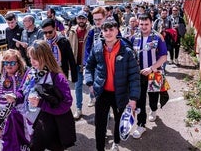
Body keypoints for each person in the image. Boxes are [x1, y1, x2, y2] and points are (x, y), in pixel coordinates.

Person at [85, 20, 141, 151]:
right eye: (105, 30)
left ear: (117, 31)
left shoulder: (127, 51)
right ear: (102, 32)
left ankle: (116, 143)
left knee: (118, 121)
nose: (108, 33)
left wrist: (133, 99)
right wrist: (90, 83)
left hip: (120, 93)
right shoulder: (97, 48)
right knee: (100, 124)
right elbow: (89, 66)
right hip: (102, 93)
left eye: (111, 29)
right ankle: (100, 148)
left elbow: (134, 76)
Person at [27, 40, 76, 150]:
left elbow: (66, 104)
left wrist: (41, 103)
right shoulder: (32, 72)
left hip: (54, 124)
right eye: (30, 58)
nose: (32, 62)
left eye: (35, 58)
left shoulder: (58, 77)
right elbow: (23, 90)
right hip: (35, 121)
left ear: (45, 57)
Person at [0, 49, 31, 150]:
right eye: (6, 62)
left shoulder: (25, 74)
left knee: (22, 141)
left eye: (12, 62)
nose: (8, 65)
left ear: (19, 63)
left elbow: (26, 93)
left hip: (21, 116)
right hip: (4, 116)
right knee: (7, 142)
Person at [131, 13, 167, 139]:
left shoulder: (158, 37)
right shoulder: (133, 37)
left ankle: (153, 110)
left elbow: (163, 56)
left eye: (146, 24)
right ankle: (141, 125)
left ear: (151, 23)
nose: (144, 26)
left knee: (153, 98)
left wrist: (152, 68)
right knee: (139, 100)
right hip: (139, 75)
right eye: (141, 24)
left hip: (155, 73)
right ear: (138, 23)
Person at [68, 11, 93, 120]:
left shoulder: (91, 30)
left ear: (86, 19)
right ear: (77, 19)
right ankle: (78, 109)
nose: (81, 21)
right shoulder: (72, 31)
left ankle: (99, 106)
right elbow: (69, 47)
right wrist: (70, 63)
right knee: (78, 87)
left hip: (89, 64)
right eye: (79, 18)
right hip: (76, 64)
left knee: (93, 86)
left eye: (83, 18)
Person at [41, 18, 78, 83]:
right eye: (45, 32)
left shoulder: (63, 41)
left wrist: (74, 77)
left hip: (61, 73)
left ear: (55, 28)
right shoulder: (42, 43)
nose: (47, 35)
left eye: (50, 32)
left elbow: (71, 59)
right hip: (47, 75)